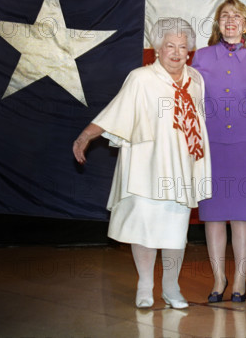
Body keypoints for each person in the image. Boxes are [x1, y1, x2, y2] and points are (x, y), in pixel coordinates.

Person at [72, 18, 211, 309]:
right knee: (145, 227)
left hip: (180, 169)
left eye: (182, 47)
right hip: (146, 166)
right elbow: (116, 112)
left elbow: (198, 127)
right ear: (157, 49)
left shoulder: (196, 80)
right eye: (169, 46)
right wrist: (86, 135)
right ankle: (145, 286)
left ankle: (171, 287)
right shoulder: (140, 78)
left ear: (190, 51)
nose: (175, 52)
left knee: (175, 231)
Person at [191, 0, 246, 303]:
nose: (230, 20)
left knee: (241, 216)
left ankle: (239, 278)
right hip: (210, 146)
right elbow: (190, 101)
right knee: (212, 216)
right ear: (218, 23)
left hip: (245, 147)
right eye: (225, 15)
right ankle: (218, 278)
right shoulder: (200, 56)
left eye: (236, 16)